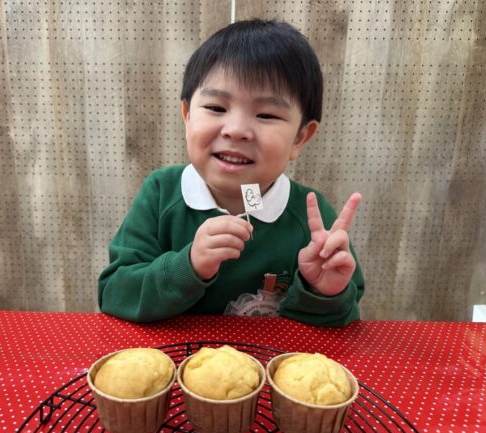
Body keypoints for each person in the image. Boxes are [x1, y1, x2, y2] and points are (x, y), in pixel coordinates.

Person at [98, 19, 364, 326]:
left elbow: (344, 321)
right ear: (187, 116)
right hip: (174, 356)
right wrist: (188, 266)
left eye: (266, 114)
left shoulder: (310, 217)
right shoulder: (161, 194)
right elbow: (115, 294)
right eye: (216, 108)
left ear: (300, 138)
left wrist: (324, 292)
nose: (236, 130)